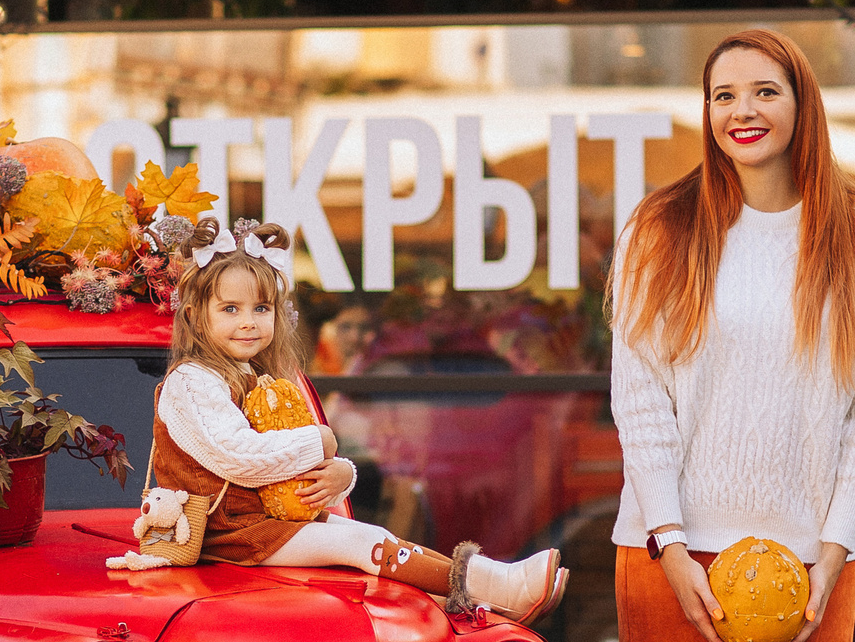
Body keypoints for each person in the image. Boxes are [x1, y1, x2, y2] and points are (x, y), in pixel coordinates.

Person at [609, 27, 855, 642]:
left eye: (764, 91)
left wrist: (835, 550)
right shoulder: (659, 229)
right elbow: (639, 398)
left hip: (807, 571)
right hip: (670, 562)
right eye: (723, 95)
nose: (742, 110)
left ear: (803, 104)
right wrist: (671, 547)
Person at [144, 218, 567, 619]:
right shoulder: (192, 383)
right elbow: (239, 456)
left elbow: (286, 461)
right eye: (230, 310)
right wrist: (320, 441)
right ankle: (492, 586)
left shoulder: (260, 378)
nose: (249, 322)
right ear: (198, 316)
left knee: (371, 536)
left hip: (261, 522)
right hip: (224, 534)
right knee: (359, 540)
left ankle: (481, 587)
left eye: (261, 308)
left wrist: (337, 476)